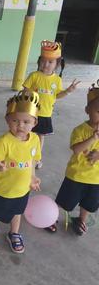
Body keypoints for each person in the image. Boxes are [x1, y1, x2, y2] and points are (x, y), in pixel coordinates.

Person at [0, 90, 42, 253]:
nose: (20, 125)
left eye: (26, 121)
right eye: (15, 120)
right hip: (4, 189)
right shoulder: (4, 142)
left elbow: (31, 161)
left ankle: (14, 233)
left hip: (23, 188)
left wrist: (33, 177)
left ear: (34, 122)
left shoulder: (35, 139)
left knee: (18, 211)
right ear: (7, 120)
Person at [51, 81, 99, 236]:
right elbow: (76, 149)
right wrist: (93, 139)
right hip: (76, 175)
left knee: (89, 203)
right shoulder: (79, 130)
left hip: (96, 179)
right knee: (65, 200)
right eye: (98, 111)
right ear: (87, 110)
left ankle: (81, 220)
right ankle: (51, 217)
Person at [23, 40, 79, 168]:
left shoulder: (57, 80)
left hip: (45, 113)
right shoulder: (34, 75)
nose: (45, 64)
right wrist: (29, 95)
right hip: (31, 112)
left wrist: (68, 91)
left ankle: (37, 158)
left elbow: (57, 96)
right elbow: (25, 90)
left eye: (50, 62)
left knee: (40, 137)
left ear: (57, 64)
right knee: (26, 133)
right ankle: (23, 154)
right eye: (43, 61)